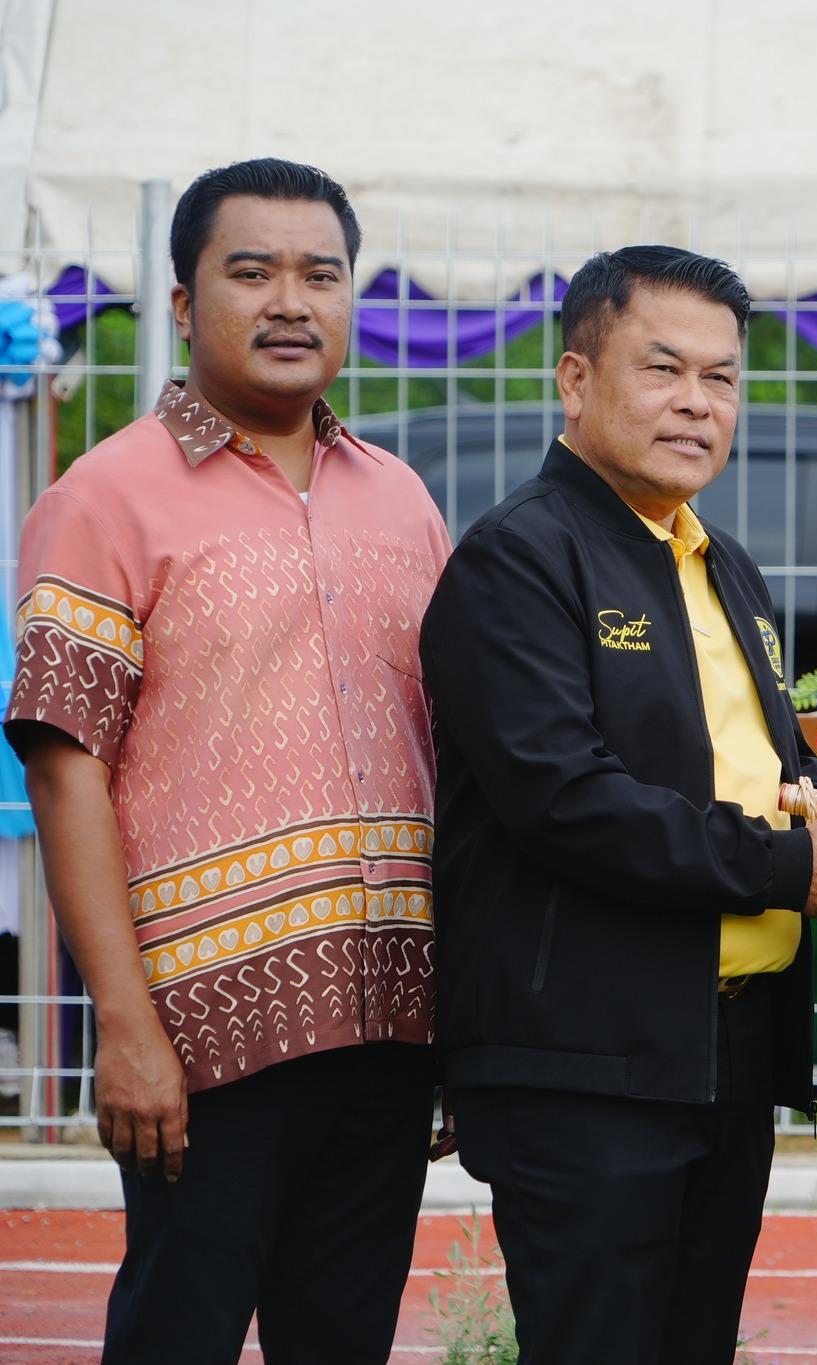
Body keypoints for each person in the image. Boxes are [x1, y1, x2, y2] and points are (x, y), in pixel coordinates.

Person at [419, 245, 817, 1365]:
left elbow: (761, 773)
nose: (696, 403)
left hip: (726, 1048)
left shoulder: (723, 565)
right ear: (575, 379)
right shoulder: (518, 558)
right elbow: (566, 800)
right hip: (587, 1057)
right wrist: (797, 866)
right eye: (662, 369)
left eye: (721, 377)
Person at [5, 159, 450, 1362]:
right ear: (185, 300)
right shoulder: (104, 498)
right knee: (178, 1335)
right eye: (251, 272)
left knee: (342, 1341)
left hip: (388, 1022)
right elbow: (65, 772)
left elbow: (447, 756)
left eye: (321, 274)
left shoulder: (403, 501)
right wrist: (125, 1027)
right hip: (202, 1033)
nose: (290, 302)